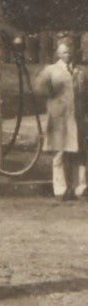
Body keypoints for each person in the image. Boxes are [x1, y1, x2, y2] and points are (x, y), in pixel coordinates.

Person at [32, 37, 88, 201]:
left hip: (77, 118)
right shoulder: (50, 70)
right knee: (60, 153)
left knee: (79, 153)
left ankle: (81, 187)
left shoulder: (81, 72)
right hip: (59, 119)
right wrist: (52, 97)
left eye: (70, 52)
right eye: (63, 52)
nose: (67, 55)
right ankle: (60, 188)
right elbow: (39, 89)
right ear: (57, 52)